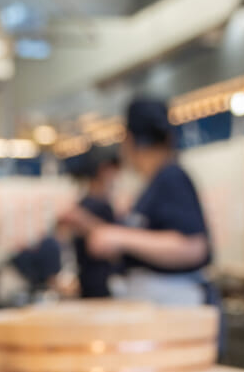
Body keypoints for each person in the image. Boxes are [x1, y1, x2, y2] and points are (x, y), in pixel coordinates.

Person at [79, 97, 213, 307]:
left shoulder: (171, 177)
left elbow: (194, 246)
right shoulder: (155, 183)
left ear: (129, 139)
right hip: (156, 302)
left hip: (176, 303)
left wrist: (121, 237)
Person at [57, 145, 122, 298]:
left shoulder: (87, 206)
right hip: (97, 285)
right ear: (104, 169)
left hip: (96, 283)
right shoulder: (90, 206)